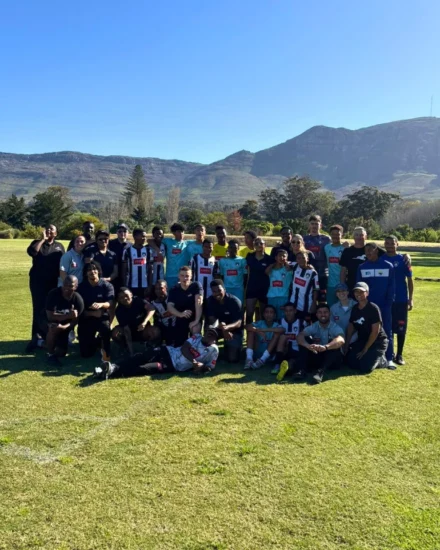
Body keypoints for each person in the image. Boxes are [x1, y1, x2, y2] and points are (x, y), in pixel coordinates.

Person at [95, 328, 219, 380]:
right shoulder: (196, 336)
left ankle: (109, 373)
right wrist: (194, 362)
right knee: (141, 357)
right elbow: (184, 348)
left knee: (144, 368)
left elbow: (210, 367)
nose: (210, 335)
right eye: (209, 331)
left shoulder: (214, 350)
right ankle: (112, 366)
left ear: (215, 339)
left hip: (172, 366)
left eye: (213, 335)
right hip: (168, 351)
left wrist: (201, 367)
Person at [26, 225, 65, 351]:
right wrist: (42, 240)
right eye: (47, 229)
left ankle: (48, 336)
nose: (48, 231)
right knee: (38, 308)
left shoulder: (59, 246)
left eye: (51, 230)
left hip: (53, 282)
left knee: (50, 309)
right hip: (38, 282)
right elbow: (32, 252)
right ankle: (36, 337)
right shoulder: (37, 243)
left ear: (56, 233)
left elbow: (63, 263)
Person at [356, 242, 395, 367]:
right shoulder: (362, 267)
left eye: (370, 250)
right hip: (368, 307)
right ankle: (373, 357)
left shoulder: (388, 266)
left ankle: (389, 358)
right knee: (369, 331)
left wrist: (389, 302)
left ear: (376, 250)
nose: (368, 252)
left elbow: (391, 286)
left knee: (387, 330)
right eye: (366, 250)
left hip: (384, 305)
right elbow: (359, 287)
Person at [343, 282, 389, 373]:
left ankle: (381, 360)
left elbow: (375, 331)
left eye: (361, 291)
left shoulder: (373, 308)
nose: (358, 294)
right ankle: (369, 356)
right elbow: (351, 328)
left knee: (365, 368)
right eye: (356, 291)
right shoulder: (355, 308)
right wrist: (346, 345)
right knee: (351, 363)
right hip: (363, 340)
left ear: (367, 293)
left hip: (377, 342)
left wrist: (365, 349)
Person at [296, 303, 345, 384]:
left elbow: (341, 340)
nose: (323, 314)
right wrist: (308, 346)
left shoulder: (335, 327)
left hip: (332, 360)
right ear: (317, 314)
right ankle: (302, 370)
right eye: (320, 312)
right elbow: (299, 336)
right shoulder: (313, 326)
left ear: (329, 314)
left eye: (325, 312)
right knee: (305, 339)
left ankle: (320, 372)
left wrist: (326, 347)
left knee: (334, 343)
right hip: (318, 356)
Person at [384, 235, 413, 365]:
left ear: (397, 244)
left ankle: (399, 355)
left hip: (401, 299)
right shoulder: (381, 257)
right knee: (387, 327)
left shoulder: (403, 260)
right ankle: (389, 353)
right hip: (386, 299)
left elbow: (410, 280)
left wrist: (410, 299)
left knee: (401, 327)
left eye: (392, 243)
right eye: (387, 243)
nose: (389, 245)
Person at [77, 261, 114, 361]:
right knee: (85, 354)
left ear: (98, 271)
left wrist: (101, 304)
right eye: (89, 270)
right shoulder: (81, 288)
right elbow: (78, 309)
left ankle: (106, 350)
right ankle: (96, 343)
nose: (92, 271)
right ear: (85, 273)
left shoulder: (107, 286)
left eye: (94, 269)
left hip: (102, 317)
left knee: (105, 327)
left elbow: (110, 303)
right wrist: (91, 313)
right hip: (86, 318)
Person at [44, 276, 84, 367]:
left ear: (76, 287)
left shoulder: (78, 299)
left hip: (66, 326)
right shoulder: (53, 294)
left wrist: (64, 327)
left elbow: (76, 321)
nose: (67, 288)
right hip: (50, 322)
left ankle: (40, 342)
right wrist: (68, 316)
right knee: (53, 328)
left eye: (71, 286)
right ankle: (50, 355)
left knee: (61, 352)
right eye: (65, 285)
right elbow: (50, 316)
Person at [112, 288, 158, 356]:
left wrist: (144, 322)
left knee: (155, 331)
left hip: (143, 330)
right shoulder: (119, 311)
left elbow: (152, 309)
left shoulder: (138, 301)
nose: (125, 298)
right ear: (118, 300)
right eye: (121, 297)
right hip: (129, 331)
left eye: (126, 295)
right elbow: (126, 330)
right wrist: (132, 353)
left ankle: (151, 346)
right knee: (115, 333)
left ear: (131, 294)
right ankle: (125, 347)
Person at [339, 226, 387, 293]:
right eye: (356, 235)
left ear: (366, 236)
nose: (359, 237)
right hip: (352, 285)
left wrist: (405, 256)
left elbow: (390, 254)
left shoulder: (373, 248)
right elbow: (343, 270)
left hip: (370, 285)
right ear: (353, 237)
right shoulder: (347, 251)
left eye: (361, 235)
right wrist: (342, 285)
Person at [206, 280, 243, 363]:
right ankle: (210, 350)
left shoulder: (234, 301)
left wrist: (226, 328)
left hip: (234, 331)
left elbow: (238, 323)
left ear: (224, 289)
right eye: (214, 291)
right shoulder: (210, 301)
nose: (217, 293)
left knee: (232, 359)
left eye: (219, 290)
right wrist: (223, 328)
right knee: (208, 334)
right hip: (219, 328)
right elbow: (212, 320)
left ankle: (233, 347)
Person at [167, 266, 203, 346]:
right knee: (180, 344)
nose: (185, 278)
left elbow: (199, 302)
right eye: (182, 276)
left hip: (195, 316)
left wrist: (196, 320)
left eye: (187, 276)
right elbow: (169, 306)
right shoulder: (174, 289)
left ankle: (197, 351)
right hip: (181, 317)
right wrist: (181, 314)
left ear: (191, 276)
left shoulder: (196, 285)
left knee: (195, 328)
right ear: (178, 276)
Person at [272, 302, 309, 378]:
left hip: (297, 350)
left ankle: (287, 369)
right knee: (282, 337)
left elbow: (307, 336)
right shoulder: (280, 321)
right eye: (286, 311)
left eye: (290, 310)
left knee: (291, 363)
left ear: (295, 311)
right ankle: (277, 364)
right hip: (284, 350)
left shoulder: (302, 322)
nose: (288, 313)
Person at [149, 223, 190, 288]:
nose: (181, 233)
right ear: (173, 233)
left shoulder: (188, 243)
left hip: (182, 275)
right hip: (170, 276)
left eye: (182, 232)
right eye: (179, 231)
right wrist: (158, 251)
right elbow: (150, 241)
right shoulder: (167, 241)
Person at [244, 304, 284, 369]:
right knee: (251, 331)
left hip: (269, 355)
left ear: (274, 315)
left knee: (277, 333)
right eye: (267, 312)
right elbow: (247, 326)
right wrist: (257, 331)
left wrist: (263, 330)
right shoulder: (260, 323)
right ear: (263, 314)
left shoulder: (276, 325)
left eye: (271, 312)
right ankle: (249, 359)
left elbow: (282, 330)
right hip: (256, 353)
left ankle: (262, 360)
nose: (269, 314)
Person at [303, 215, 331, 301]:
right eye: (312, 224)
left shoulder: (326, 239)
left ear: (320, 225)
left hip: (323, 274)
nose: (314, 226)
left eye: (316, 224)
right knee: (309, 299)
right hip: (308, 274)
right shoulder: (304, 239)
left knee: (322, 300)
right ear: (309, 225)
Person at [245, 237, 273, 324]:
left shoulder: (269, 259)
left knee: (263, 314)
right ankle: (249, 334)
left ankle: (261, 336)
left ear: (265, 245)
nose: (259, 245)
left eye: (261, 243)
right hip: (251, 288)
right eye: (256, 243)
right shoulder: (249, 256)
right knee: (249, 314)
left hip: (264, 289)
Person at [122, 228, 152, 298]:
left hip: (145, 285)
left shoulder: (148, 251)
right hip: (131, 285)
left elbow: (150, 269)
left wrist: (150, 285)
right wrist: (125, 285)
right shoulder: (127, 251)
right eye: (142, 236)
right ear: (135, 236)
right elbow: (124, 270)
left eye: (145, 236)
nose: (144, 238)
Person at [289, 251, 319, 321]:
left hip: (306, 305)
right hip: (293, 303)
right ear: (296, 260)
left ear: (307, 259)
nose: (301, 260)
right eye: (299, 258)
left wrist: (314, 303)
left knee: (305, 326)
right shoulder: (295, 266)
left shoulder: (313, 272)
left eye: (303, 258)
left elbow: (316, 289)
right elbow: (284, 262)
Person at [145, 280, 176, 345]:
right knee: (155, 331)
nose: (158, 291)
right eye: (156, 289)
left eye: (161, 288)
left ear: (166, 288)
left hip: (178, 325)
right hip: (164, 328)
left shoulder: (173, 297)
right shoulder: (153, 304)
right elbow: (156, 320)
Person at [265, 249, 293, 321]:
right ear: (275, 257)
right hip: (272, 296)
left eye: (284, 256)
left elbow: (290, 269)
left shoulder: (288, 269)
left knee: (282, 318)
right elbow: (266, 272)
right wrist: (272, 265)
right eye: (280, 256)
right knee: (271, 318)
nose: (282, 258)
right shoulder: (271, 269)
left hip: (283, 297)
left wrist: (287, 264)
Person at [218, 239, 247, 304]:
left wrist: (243, 288)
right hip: (226, 288)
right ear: (228, 248)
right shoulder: (222, 261)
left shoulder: (242, 260)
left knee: (238, 307)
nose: (233, 250)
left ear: (238, 248)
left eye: (235, 248)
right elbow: (221, 276)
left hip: (238, 289)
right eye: (231, 247)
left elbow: (245, 275)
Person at [324, 225, 345, 306]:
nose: (335, 236)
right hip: (330, 284)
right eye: (333, 234)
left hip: (342, 284)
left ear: (342, 235)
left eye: (338, 234)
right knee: (331, 307)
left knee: (343, 306)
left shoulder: (345, 248)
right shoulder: (326, 247)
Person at [109, 223, 131, 290]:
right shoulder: (110, 244)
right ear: (117, 233)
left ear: (128, 233)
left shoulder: (131, 246)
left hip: (126, 276)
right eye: (120, 231)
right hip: (112, 275)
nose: (122, 233)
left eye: (124, 231)